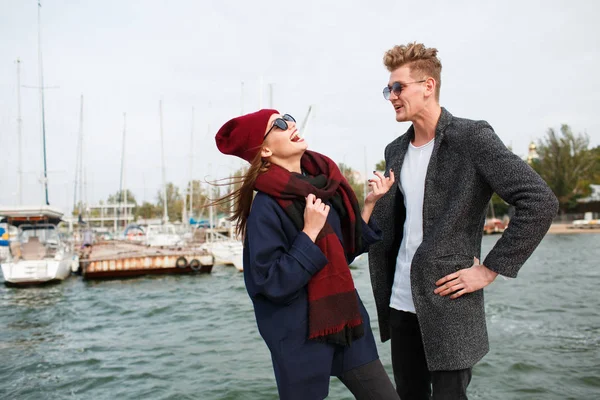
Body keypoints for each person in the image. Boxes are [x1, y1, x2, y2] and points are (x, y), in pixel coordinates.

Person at [367, 42, 559, 399]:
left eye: (398, 87)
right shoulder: (395, 149)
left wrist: (489, 270)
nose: (391, 96)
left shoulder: (471, 137)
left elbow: (539, 200)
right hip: (399, 300)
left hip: (449, 300)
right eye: (387, 89)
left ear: (428, 86)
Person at [215, 109, 399, 400]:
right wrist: (308, 234)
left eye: (288, 117)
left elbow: (343, 253)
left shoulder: (323, 186)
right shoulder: (265, 206)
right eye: (278, 125)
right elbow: (270, 282)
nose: (290, 124)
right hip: (299, 337)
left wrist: (369, 205)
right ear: (263, 149)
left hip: (346, 322)